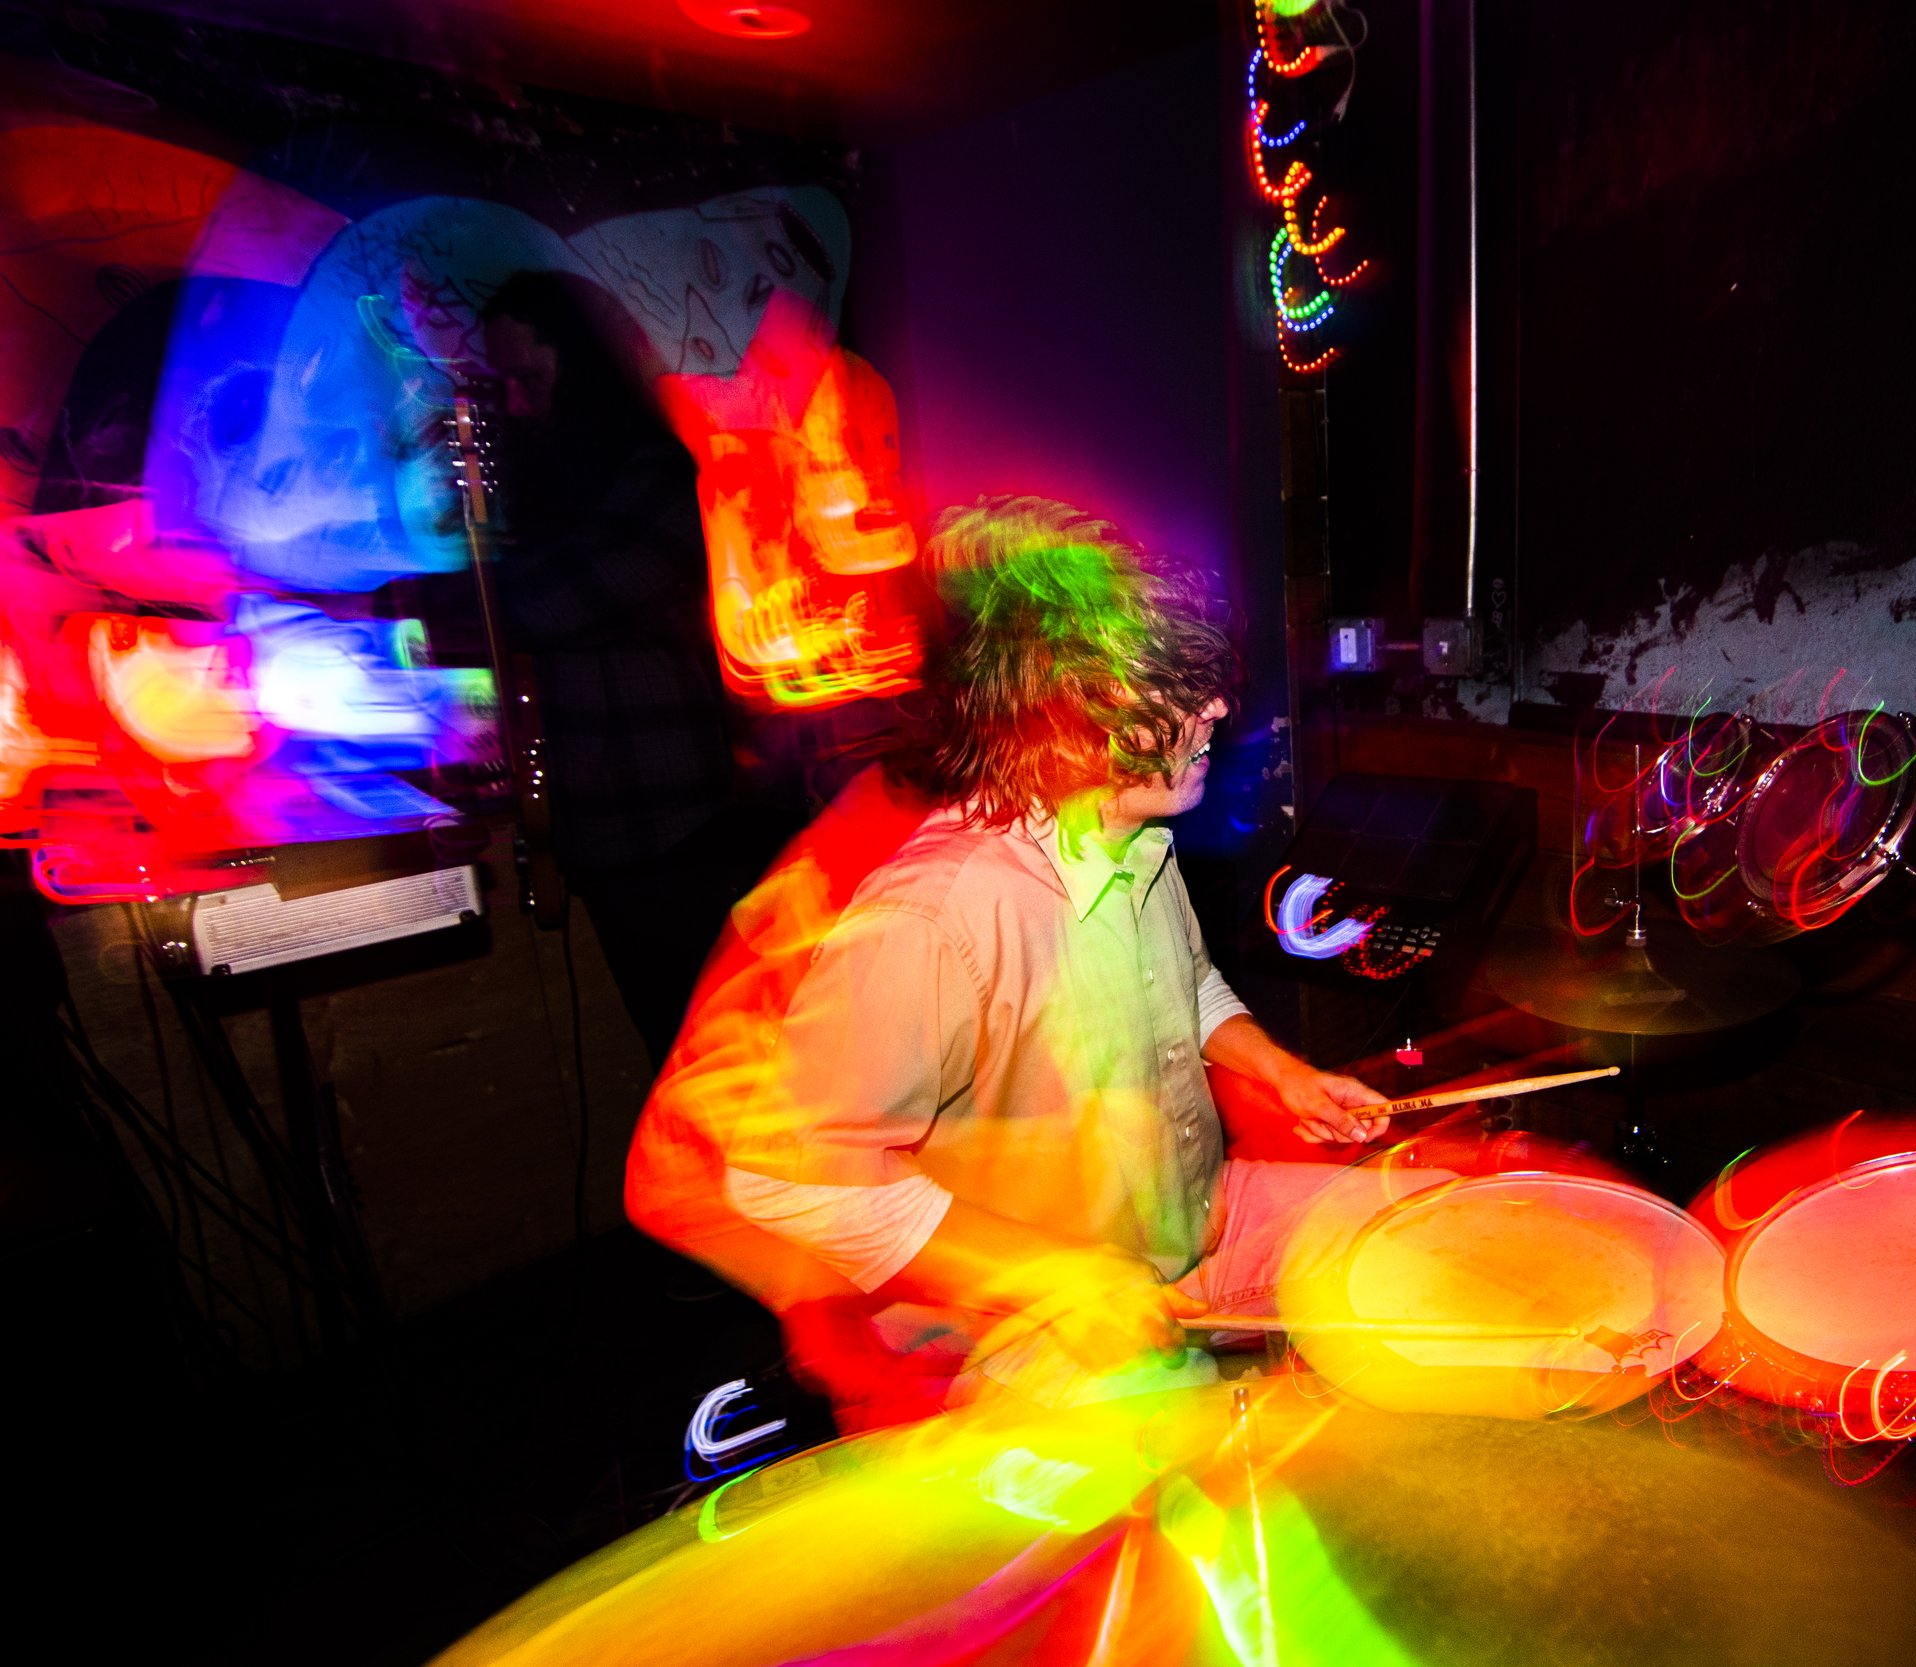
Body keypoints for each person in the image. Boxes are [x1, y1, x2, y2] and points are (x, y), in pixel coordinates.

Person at [626, 497, 1387, 1418]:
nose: (1219, 706)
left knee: (1417, 1236)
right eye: (1182, 689)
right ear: (1074, 716)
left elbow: (1184, 982)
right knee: (1232, 1493)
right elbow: (783, 1175)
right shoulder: (936, 916)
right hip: (1025, 1328)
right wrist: (1058, 1276)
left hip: (1191, 1224)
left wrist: (1280, 1071)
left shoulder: (1137, 837)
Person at [478, 272, 800, 1066]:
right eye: (503, 384)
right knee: (677, 1061)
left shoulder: (656, 475)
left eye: (529, 379)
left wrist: (439, 589)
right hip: (606, 836)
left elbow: (556, 602)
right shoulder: (553, 491)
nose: (515, 405)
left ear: (578, 365)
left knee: (732, 1066)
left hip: (679, 827)